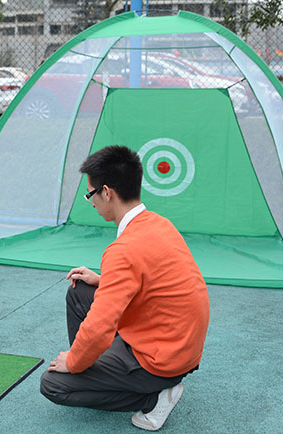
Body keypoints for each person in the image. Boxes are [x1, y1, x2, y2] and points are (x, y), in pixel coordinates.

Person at [40, 146, 210, 431]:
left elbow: (99, 327)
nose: (91, 202)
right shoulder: (159, 223)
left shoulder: (123, 250)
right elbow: (153, 281)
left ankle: (153, 399)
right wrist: (103, 279)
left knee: (54, 384)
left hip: (161, 361)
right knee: (80, 292)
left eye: (90, 194)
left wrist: (74, 362)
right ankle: (103, 372)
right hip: (179, 345)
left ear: (107, 193)